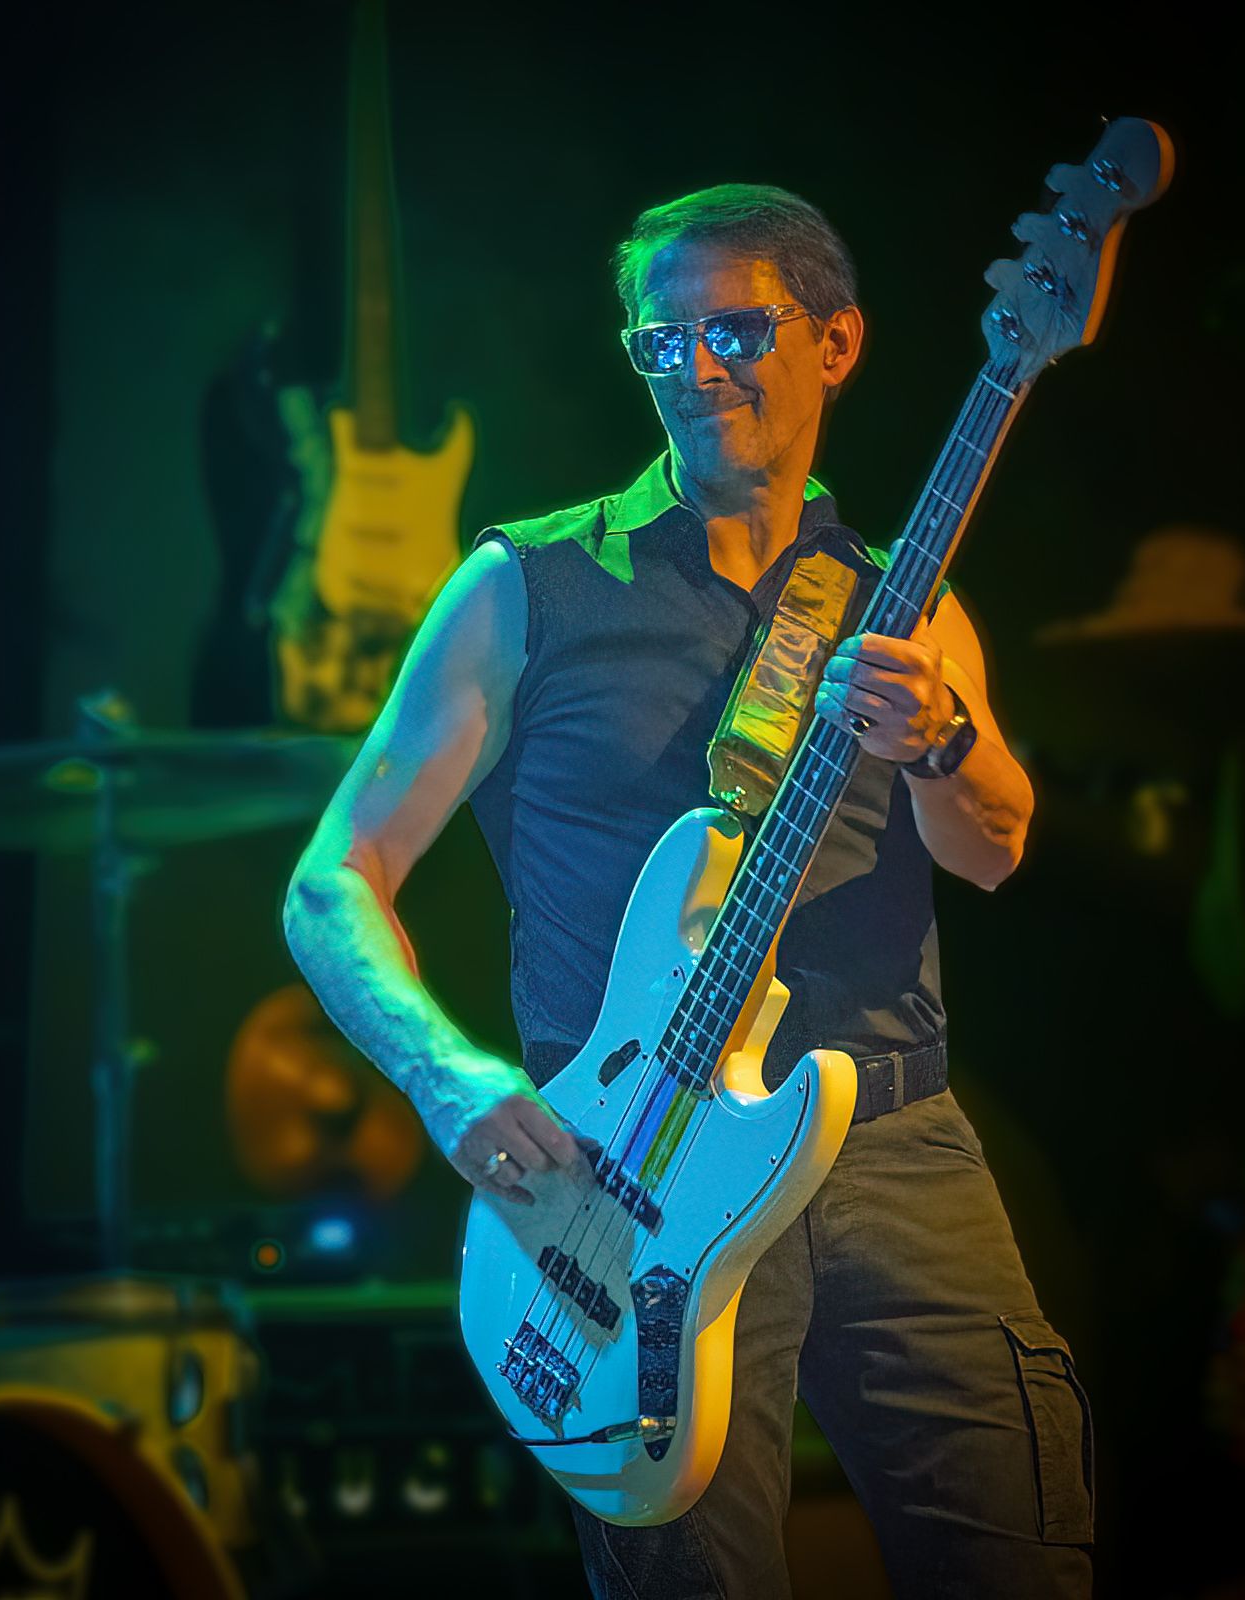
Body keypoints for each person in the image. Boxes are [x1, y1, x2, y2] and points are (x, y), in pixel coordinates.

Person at [284, 184, 1093, 1598]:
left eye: (739, 331)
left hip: (893, 1144)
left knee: (1020, 1560)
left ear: (836, 343)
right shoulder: (529, 586)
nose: (699, 367)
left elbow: (995, 847)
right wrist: (444, 1076)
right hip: (630, 1174)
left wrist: (942, 739)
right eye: (662, 343)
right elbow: (333, 878)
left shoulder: (902, 601)